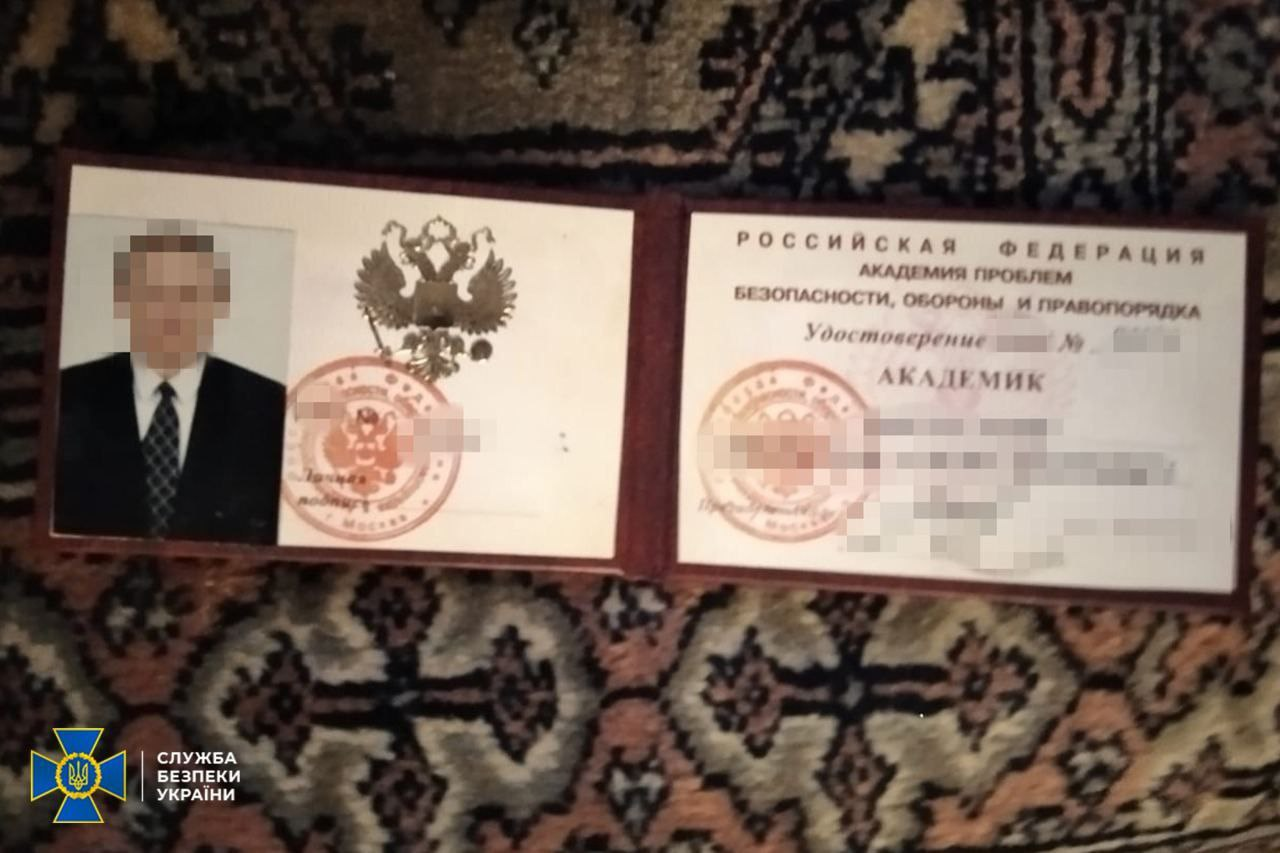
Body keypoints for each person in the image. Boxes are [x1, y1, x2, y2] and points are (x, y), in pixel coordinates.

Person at [53, 224, 285, 544]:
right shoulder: (68, 391)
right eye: (155, 292)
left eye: (189, 294)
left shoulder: (268, 406)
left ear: (217, 304)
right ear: (126, 300)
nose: (171, 312)